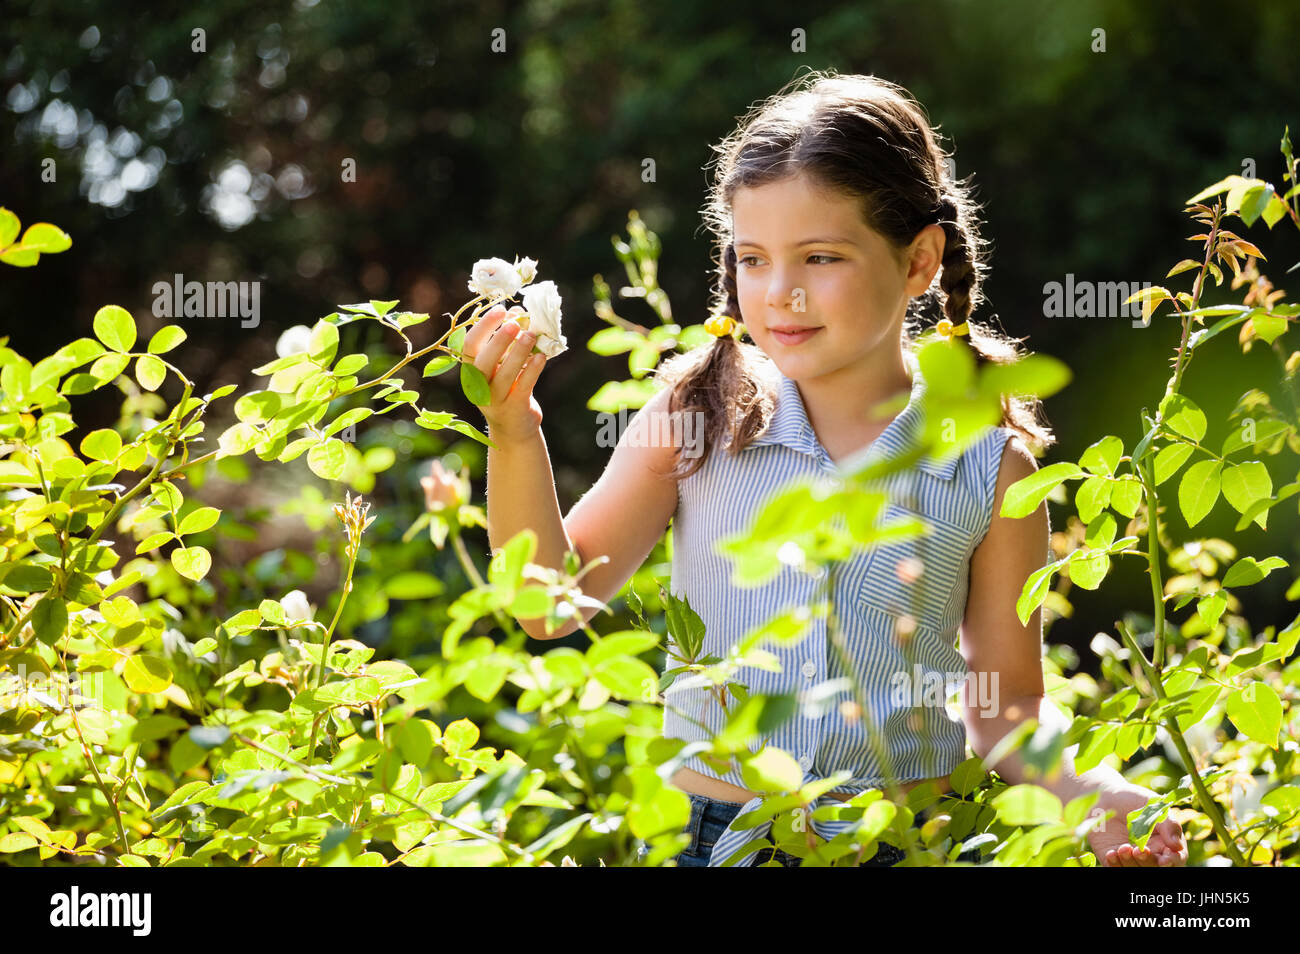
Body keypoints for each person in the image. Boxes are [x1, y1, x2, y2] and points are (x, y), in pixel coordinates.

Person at [433, 69, 1188, 868]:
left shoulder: (987, 463)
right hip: (730, 845)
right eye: (753, 259)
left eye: (820, 257)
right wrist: (514, 432)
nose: (780, 293)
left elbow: (1008, 711)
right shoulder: (700, 416)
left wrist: (1087, 793)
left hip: (919, 845)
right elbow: (551, 603)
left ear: (920, 261)